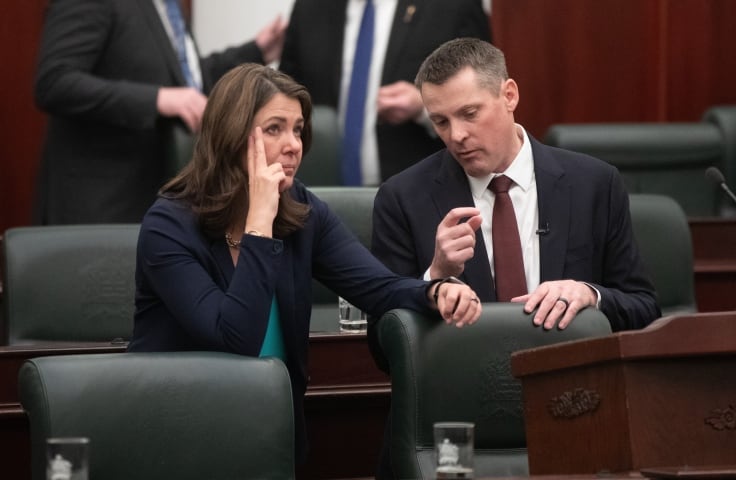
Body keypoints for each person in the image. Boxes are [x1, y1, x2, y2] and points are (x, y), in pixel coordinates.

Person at [127, 63, 482, 464]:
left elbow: (378, 288)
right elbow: (234, 339)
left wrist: (435, 288)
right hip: (180, 436)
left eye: (297, 129)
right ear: (232, 134)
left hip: (273, 433)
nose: (294, 144)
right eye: (275, 128)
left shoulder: (301, 210)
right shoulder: (168, 226)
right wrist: (259, 220)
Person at [371, 38, 662, 333]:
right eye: (441, 122)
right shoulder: (403, 198)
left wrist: (590, 295)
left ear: (509, 95)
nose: (456, 135)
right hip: (466, 374)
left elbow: (644, 310)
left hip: (571, 372)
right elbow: (384, 340)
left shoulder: (594, 184)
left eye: (469, 114)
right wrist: (433, 278)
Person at [33, 0, 287, 224]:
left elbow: (186, 83)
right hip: (98, 205)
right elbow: (55, 82)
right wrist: (157, 99)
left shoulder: (169, 6)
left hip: (155, 197)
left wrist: (256, 51)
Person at [278, 0, 491, 185]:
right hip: (320, 192)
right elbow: (286, 94)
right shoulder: (310, 7)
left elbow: (483, 91)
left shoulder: (453, 6)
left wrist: (423, 106)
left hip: (420, 191)